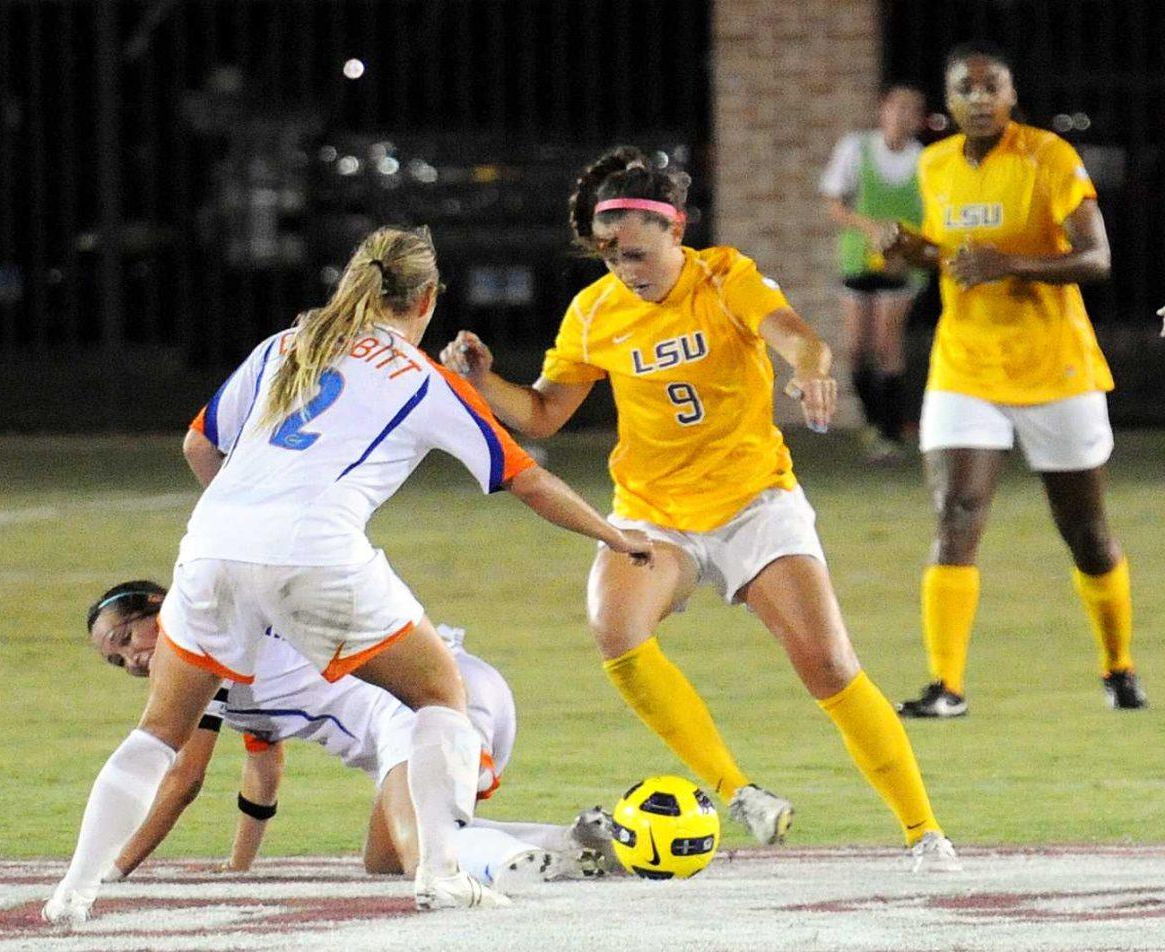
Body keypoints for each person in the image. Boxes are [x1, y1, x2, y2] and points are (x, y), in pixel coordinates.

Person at [43, 225, 652, 925]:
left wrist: (247, 536)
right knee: (440, 694)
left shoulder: (285, 344)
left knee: (157, 733)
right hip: (316, 552)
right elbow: (527, 480)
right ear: (426, 299)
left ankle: (75, 890)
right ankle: (441, 875)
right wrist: (614, 535)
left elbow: (198, 443)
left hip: (208, 548)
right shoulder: (425, 378)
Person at [440, 147, 957, 871]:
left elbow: (797, 338)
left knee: (829, 666)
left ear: (676, 232)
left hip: (753, 504)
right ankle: (737, 792)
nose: (627, 270)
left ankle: (923, 831)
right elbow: (546, 414)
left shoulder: (725, 277)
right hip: (655, 514)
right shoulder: (594, 313)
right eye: (613, 258)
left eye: (639, 254)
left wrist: (811, 371)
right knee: (615, 629)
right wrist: (485, 380)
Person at [882, 44, 1146, 718]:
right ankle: (947, 687)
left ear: (1010, 93)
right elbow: (960, 255)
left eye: (989, 86)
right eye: (963, 89)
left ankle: (1118, 667)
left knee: (1085, 531)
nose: (977, 98)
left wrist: (1011, 266)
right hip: (966, 364)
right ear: (948, 100)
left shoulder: (1047, 156)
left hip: (1054, 366)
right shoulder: (934, 163)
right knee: (956, 515)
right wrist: (919, 251)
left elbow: (1097, 258)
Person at [86, 581, 615, 893]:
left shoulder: (203, 641)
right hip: (458, 690)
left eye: (126, 637)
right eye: (116, 660)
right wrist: (239, 865)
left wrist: (108, 869)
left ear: (160, 602)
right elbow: (262, 771)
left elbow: (181, 779)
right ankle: (574, 842)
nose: (131, 659)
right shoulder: (224, 643)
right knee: (385, 860)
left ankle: (497, 861)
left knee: (426, 861)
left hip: (418, 705)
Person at [820, 85, 927, 462]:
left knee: (887, 344)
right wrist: (871, 230)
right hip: (857, 259)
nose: (902, 116)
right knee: (856, 349)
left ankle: (891, 432)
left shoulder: (924, 161)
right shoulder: (856, 148)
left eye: (911, 110)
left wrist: (906, 247)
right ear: (882, 110)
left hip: (901, 265)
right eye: (896, 107)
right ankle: (871, 423)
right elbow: (834, 204)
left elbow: (930, 215)